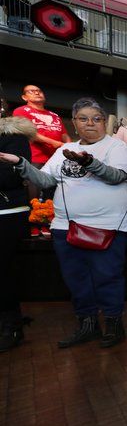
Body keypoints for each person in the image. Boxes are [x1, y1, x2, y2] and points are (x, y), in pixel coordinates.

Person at [0, 98, 127, 348]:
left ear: (104, 122)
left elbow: (116, 176)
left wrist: (89, 162)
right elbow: (44, 181)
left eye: (96, 119)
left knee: (108, 277)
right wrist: (20, 164)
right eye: (83, 119)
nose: (90, 124)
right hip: (66, 227)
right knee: (76, 279)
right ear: (74, 123)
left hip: (108, 226)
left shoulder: (116, 147)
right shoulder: (63, 149)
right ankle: (88, 326)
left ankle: (114, 325)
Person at [13, 85, 72, 228]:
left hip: (55, 161)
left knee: (52, 196)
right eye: (31, 91)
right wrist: (54, 143)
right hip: (34, 159)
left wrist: (70, 146)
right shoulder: (21, 110)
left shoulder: (54, 115)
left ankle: (50, 225)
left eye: (39, 90)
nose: (37, 92)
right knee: (34, 197)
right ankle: (33, 228)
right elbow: (27, 131)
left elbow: (64, 135)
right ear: (24, 97)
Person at [0, 115, 36, 352]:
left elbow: (9, 177)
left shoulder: (13, 135)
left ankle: (11, 325)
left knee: (2, 269)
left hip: (8, 210)